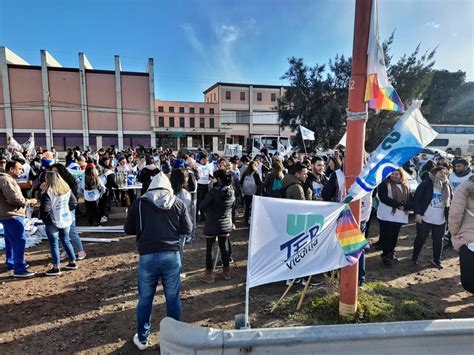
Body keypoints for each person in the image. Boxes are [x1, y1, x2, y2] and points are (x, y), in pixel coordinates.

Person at [124, 172, 191, 350]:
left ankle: (143, 339)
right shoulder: (178, 203)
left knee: (145, 298)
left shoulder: (139, 204)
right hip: (171, 255)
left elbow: (128, 229)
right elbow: (188, 228)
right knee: (172, 297)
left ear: (150, 186)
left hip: (147, 255)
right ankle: (175, 339)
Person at [0, 161, 37, 277]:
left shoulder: (5, 179)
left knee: (10, 240)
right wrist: (29, 201)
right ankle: (19, 268)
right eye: (20, 169)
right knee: (20, 240)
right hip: (12, 214)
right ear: (11, 169)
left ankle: (12, 263)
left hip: (8, 214)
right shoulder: (6, 180)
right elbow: (14, 199)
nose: (22, 171)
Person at [199, 169, 236, 283]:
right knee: (224, 247)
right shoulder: (231, 191)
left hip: (212, 222)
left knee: (210, 248)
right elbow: (234, 206)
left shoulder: (213, 192)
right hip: (225, 223)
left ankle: (209, 275)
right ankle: (226, 272)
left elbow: (202, 205)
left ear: (218, 179)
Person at [412, 166, 452, 269]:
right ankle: (414, 257)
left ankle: (437, 260)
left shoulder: (447, 187)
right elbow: (417, 199)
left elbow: (449, 204)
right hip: (425, 218)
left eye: (445, 173)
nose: (443, 175)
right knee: (421, 238)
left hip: (440, 219)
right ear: (434, 173)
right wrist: (417, 213)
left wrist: (449, 219)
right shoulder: (426, 184)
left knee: (439, 240)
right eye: (440, 172)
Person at [39, 171, 78, 276]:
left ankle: (56, 268)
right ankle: (72, 262)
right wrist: (66, 211)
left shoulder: (47, 193)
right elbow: (74, 203)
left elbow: (44, 210)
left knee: (54, 244)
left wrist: (47, 221)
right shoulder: (66, 189)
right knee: (66, 240)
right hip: (65, 218)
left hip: (53, 221)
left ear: (48, 180)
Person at [376, 168, 412, 267]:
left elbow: (410, 199)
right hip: (386, 215)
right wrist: (397, 205)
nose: (394, 176)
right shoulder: (384, 184)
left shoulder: (405, 186)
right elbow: (383, 198)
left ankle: (391, 252)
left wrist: (406, 206)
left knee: (394, 236)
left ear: (401, 176)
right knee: (386, 236)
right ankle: (386, 255)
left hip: (399, 216)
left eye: (397, 174)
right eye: (392, 174)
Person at [51, 163, 87, 261]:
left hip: (68, 209)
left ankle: (80, 251)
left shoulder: (69, 183)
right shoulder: (53, 183)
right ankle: (65, 251)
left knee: (71, 231)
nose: (54, 173)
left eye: (56, 171)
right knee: (61, 232)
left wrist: (69, 209)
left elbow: (73, 200)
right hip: (59, 210)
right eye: (52, 171)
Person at [449, 175, 474, 293]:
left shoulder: (464, 187)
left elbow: (455, 213)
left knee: (469, 283)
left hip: (469, 241)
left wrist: (454, 233)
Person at [195, 153, 213, 222]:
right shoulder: (197, 165)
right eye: (204, 159)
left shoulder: (208, 166)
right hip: (199, 185)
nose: (205, 161)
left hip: (206, 185)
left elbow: (210, 175)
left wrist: (212, 179)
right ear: (201, 159)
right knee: (198, 202)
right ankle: (196, 216)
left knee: (205, 202)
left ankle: (203, 216)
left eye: (206, 160)